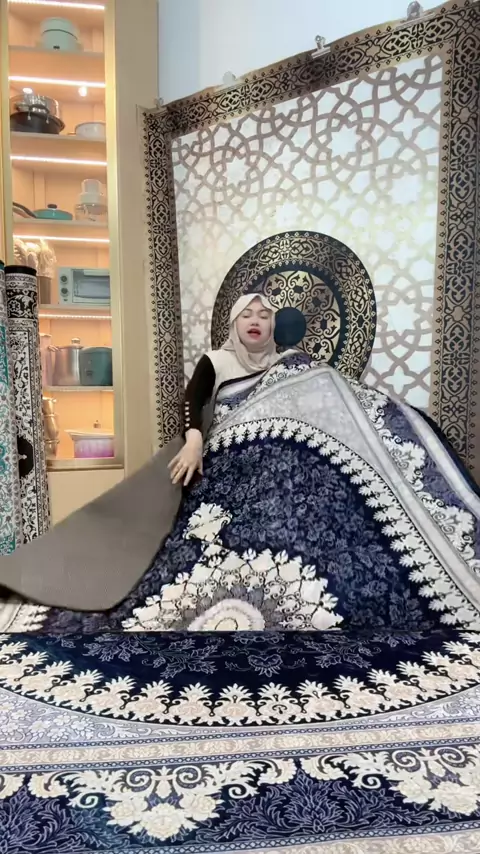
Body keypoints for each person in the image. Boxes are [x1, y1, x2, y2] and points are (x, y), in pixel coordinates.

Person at [169, 294, 278, 486]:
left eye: (263, 316)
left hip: (273, 461)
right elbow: (192, 400)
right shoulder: (216, 361)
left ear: (273, 326)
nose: (255, 321)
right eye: (246, 315)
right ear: (234, 323)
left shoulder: (284, 365)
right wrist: (193, 442)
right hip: (225, 459)